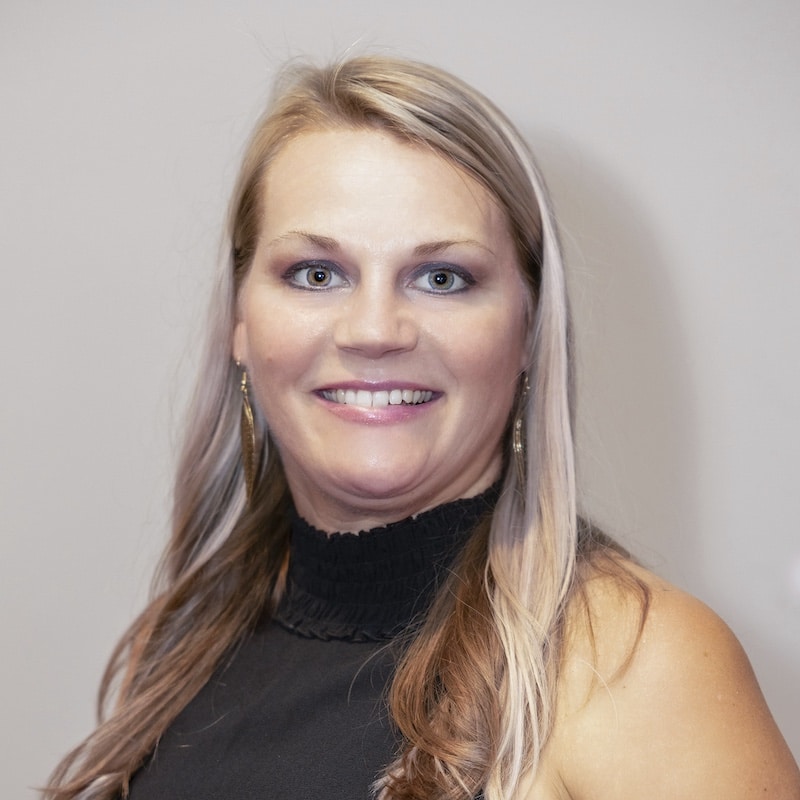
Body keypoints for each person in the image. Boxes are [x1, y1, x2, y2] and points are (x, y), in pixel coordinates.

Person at [45, 55, 799, 800]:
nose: (374, 330)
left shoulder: (633, 662)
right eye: (316, 273)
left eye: (442, 278)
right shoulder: (179, 648)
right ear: (240, 322)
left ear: (530, 330)